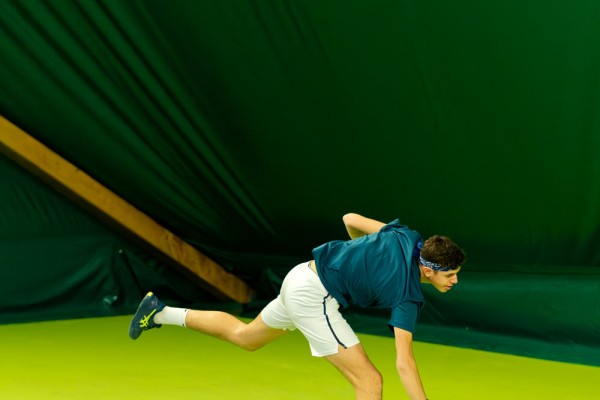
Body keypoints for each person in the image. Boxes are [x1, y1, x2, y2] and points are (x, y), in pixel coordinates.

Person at [129, 213, 466, 400]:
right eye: (449, 274)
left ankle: (159, 312)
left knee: (246, 337)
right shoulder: (407, 295)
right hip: (314, 297)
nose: (454, 280)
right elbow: (404, 363)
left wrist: (361, 258)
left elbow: (350, 218)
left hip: (300, 275)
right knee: (370, 382)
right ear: (427, 269)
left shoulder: (406, 237)